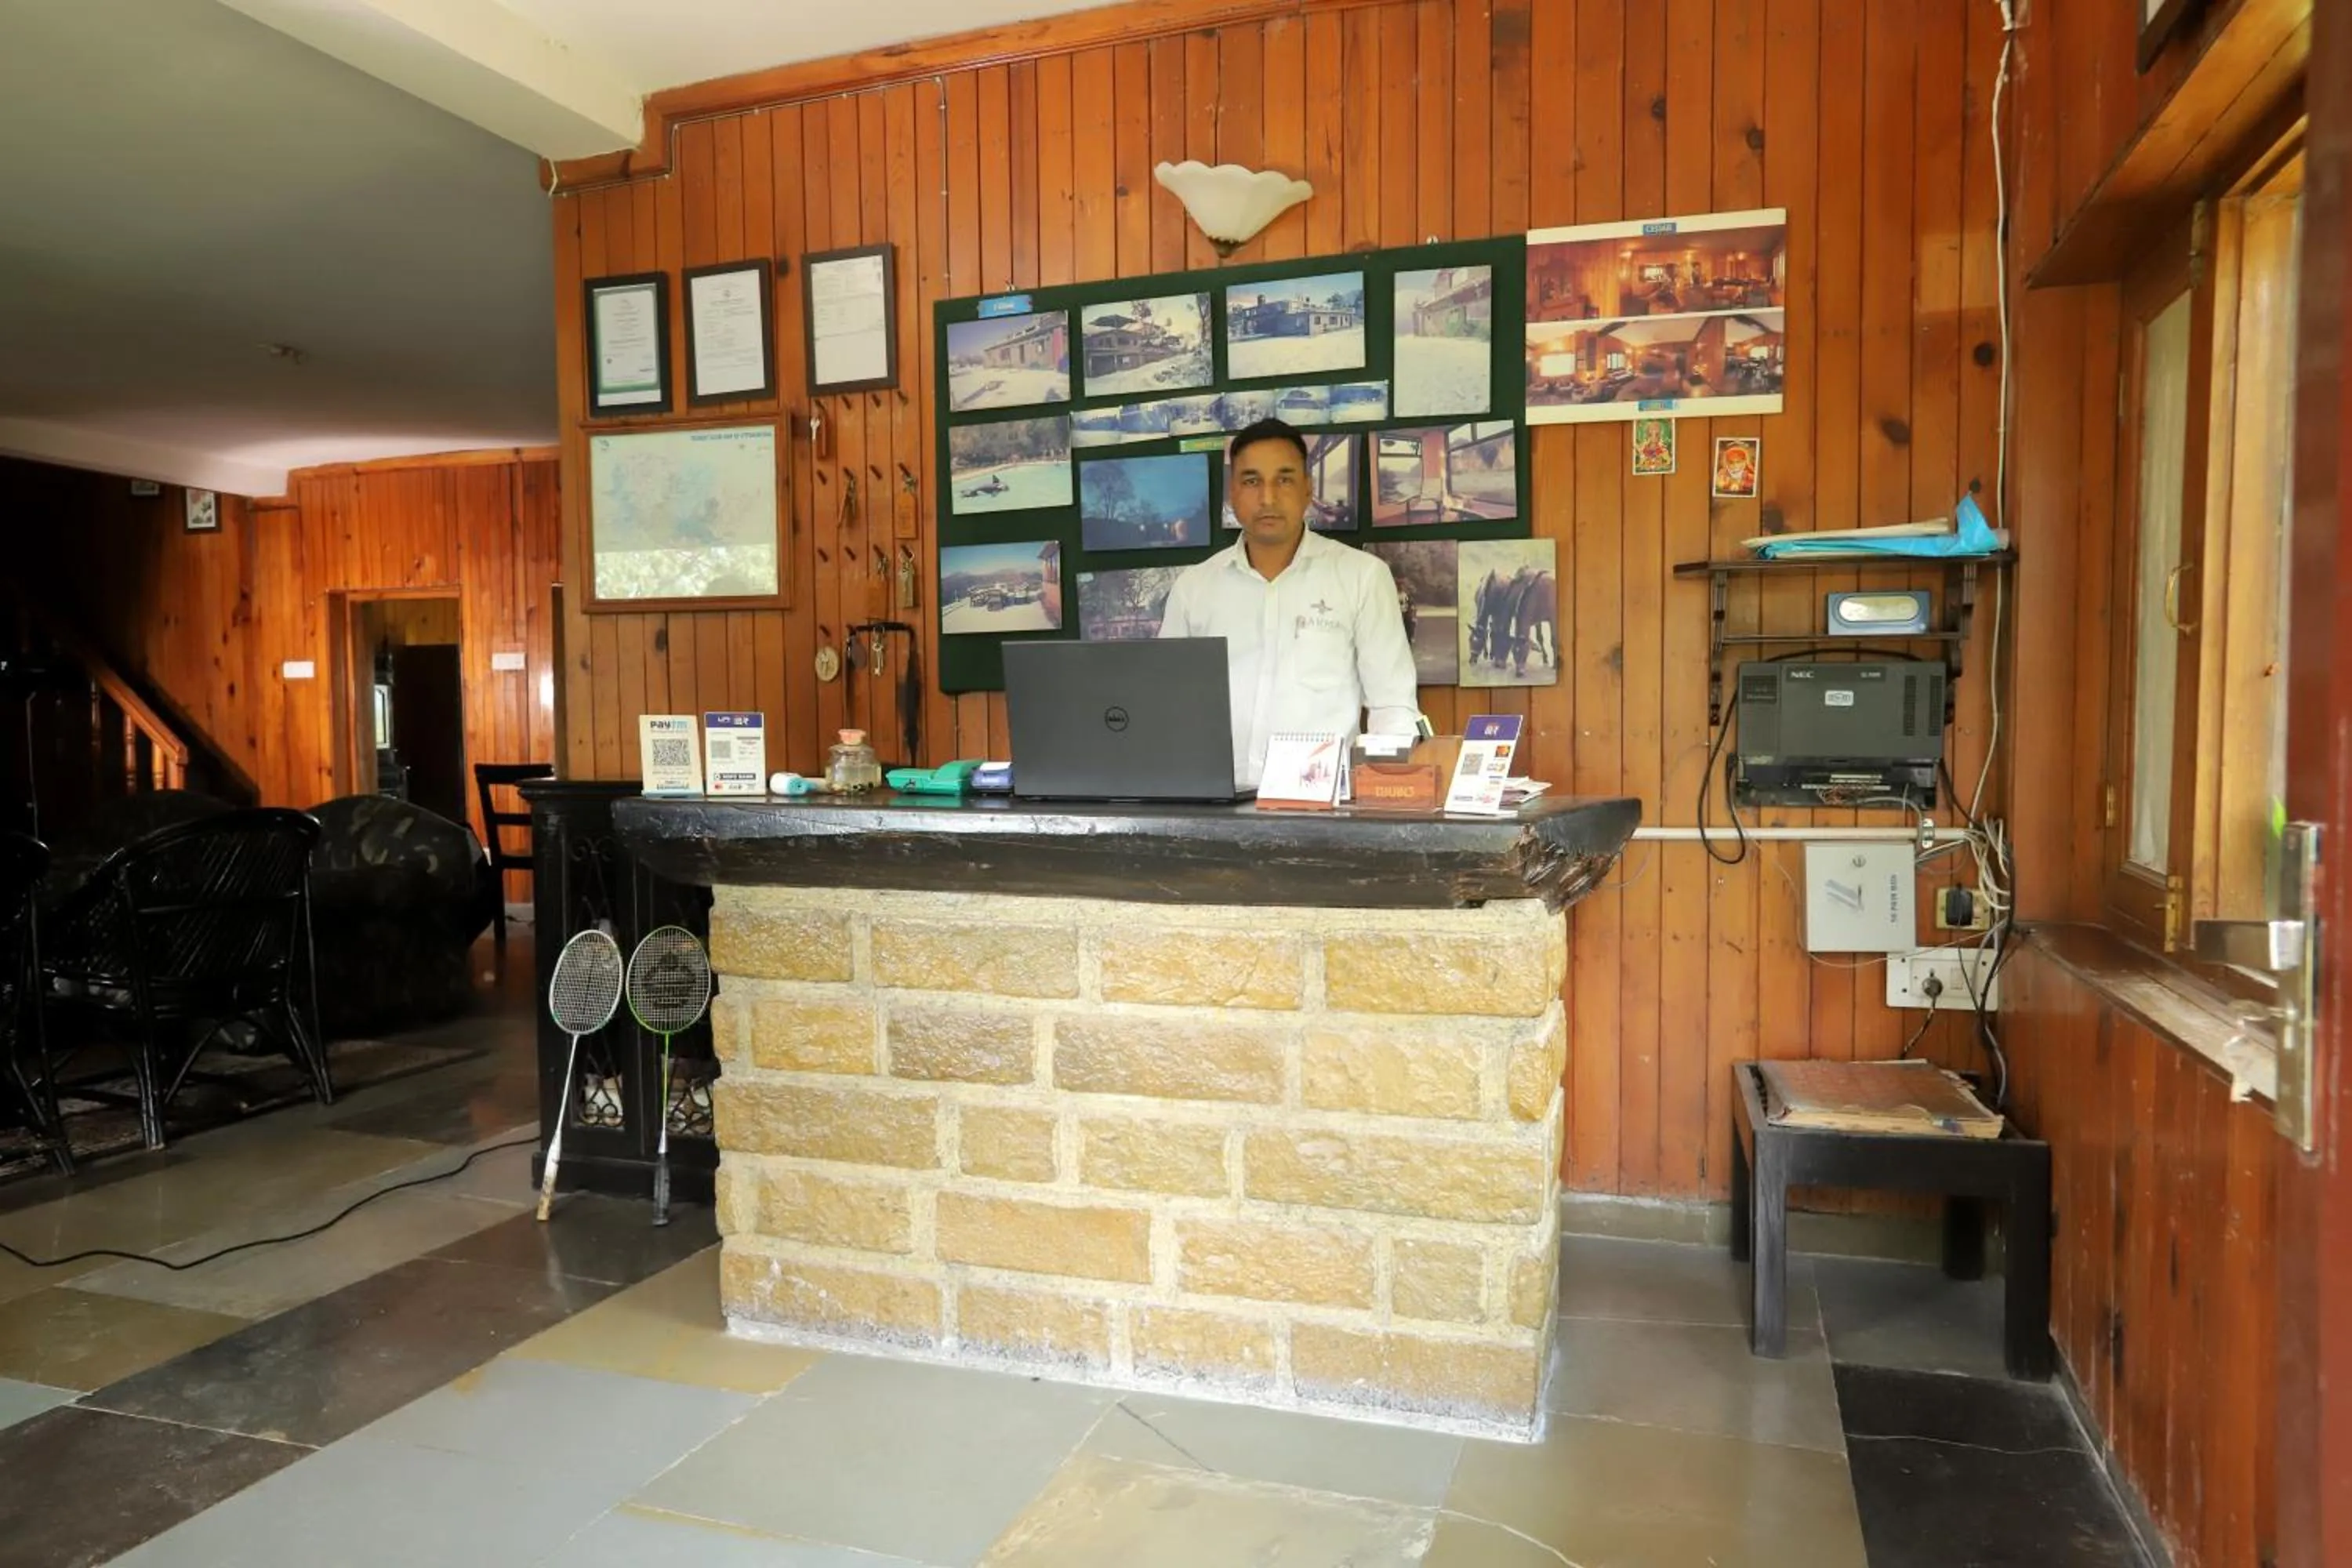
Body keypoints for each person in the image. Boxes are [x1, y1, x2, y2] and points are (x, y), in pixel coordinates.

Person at [1160, 419, 1418, 789]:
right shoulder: (1194, 588)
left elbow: (1392, 707)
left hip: (1322, 807)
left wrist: (1384, 795)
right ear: (1233, 493)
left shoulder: (1362, 577)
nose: (1267, 497)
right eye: (1251, 481)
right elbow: (1168, 705)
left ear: (1308, 489)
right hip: (1214, 804)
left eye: (1284, 479)